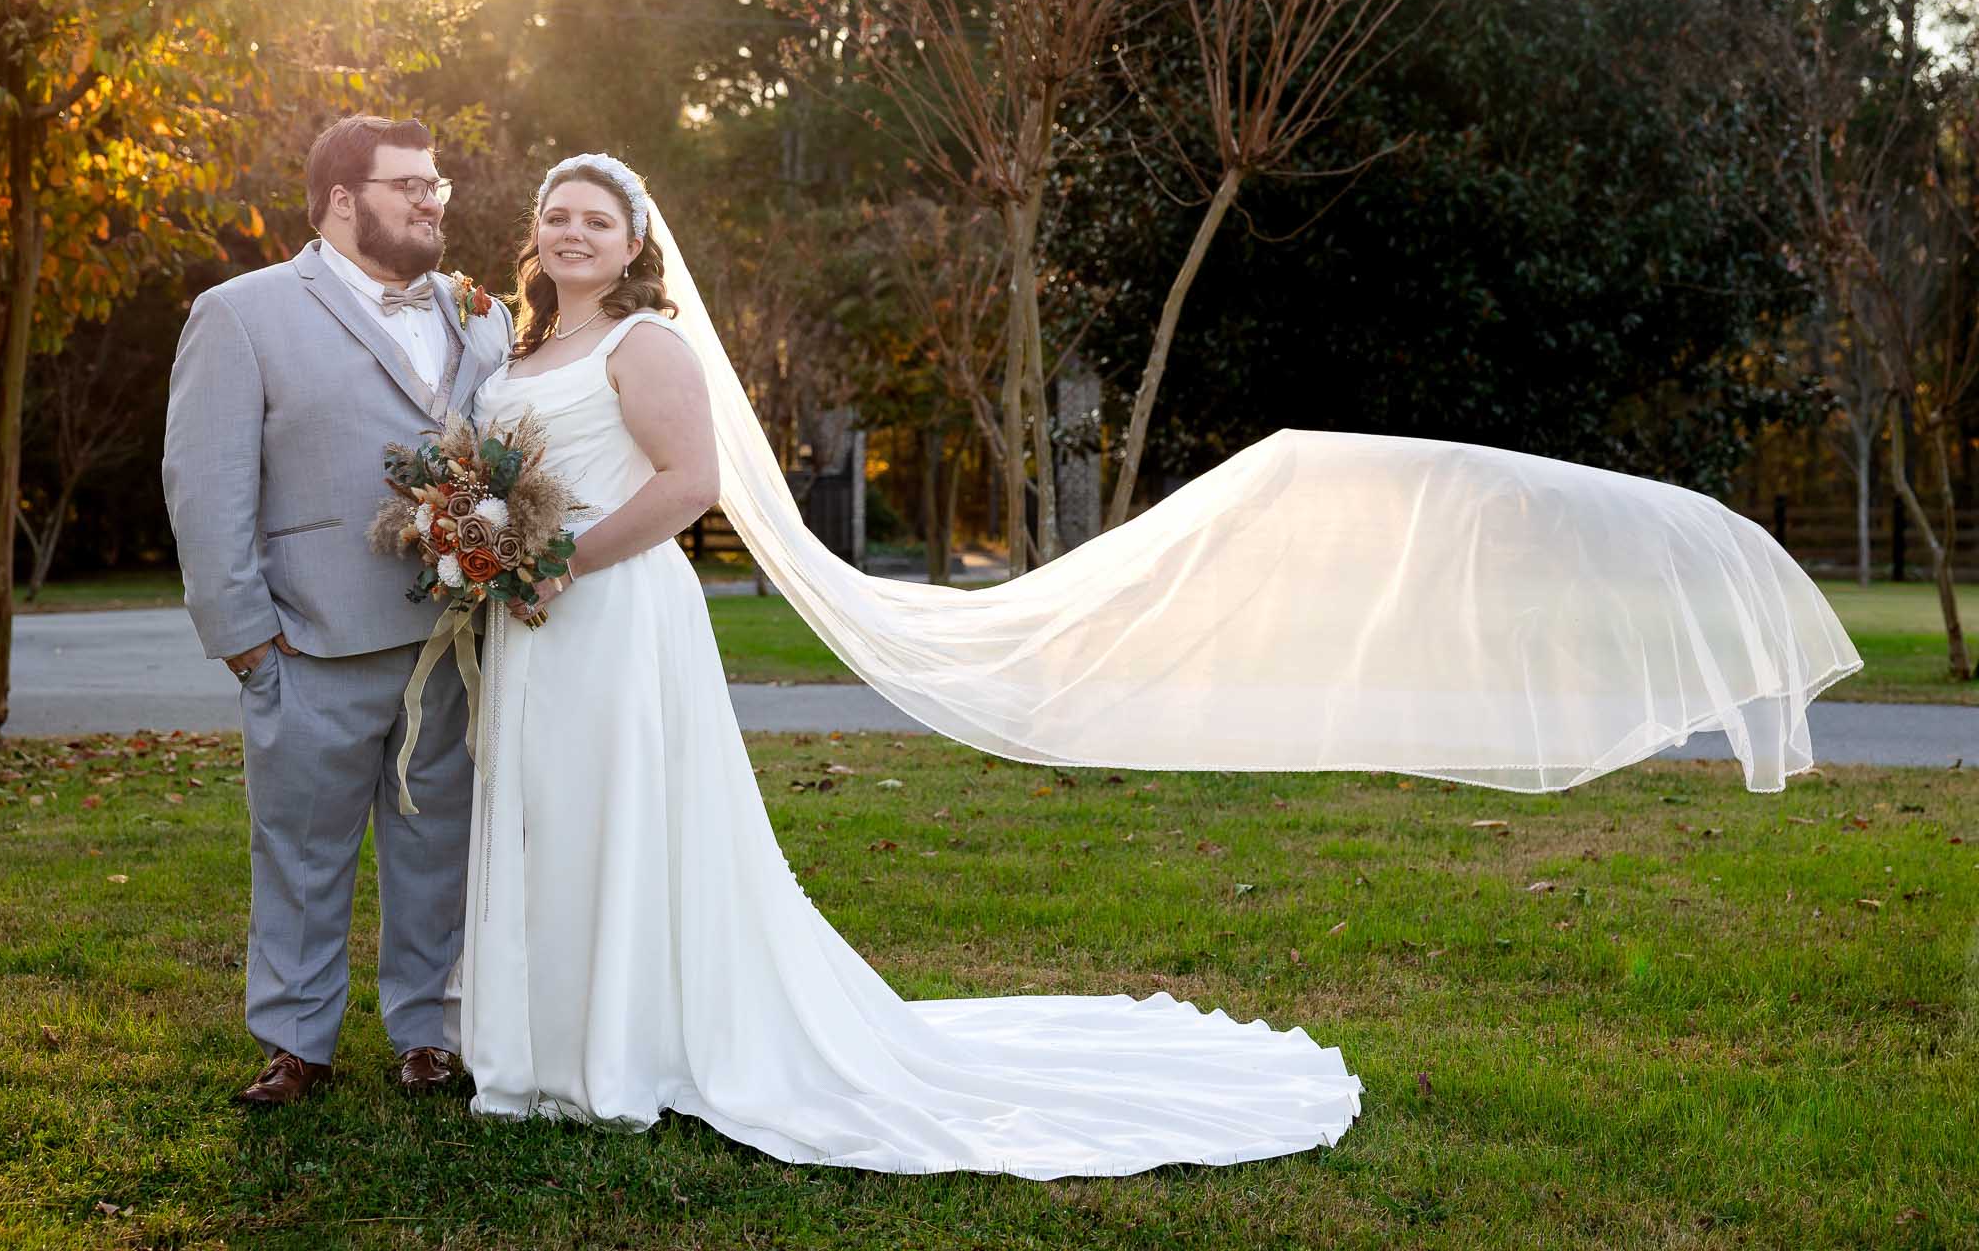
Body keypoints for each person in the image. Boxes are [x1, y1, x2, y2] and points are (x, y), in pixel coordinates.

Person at [460, 148, 1858, 1175]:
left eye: (598, 218)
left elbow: (687, 484)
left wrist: (553, 560)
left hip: (613, 615)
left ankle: (628, 1049)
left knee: (620, 817)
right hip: (533, 628)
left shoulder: (646, 347)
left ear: (634, 244)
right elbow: (494, 474)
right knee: (547, 820)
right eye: (555, 217)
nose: (572, 232)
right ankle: (545, 1047)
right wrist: (474, 542)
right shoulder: (519, 354)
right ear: (535, 240)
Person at [163, 114, 511, 1107]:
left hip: (452, 641)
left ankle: (428, 1033)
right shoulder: (243, 312)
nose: (431, 198)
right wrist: (243, 639)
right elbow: (206, 480)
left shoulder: (477, 312)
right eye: (408, 183)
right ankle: (297, 1040)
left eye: (435, 181)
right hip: (307, 639)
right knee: (302, 847)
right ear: (342, 198)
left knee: (438, 840)